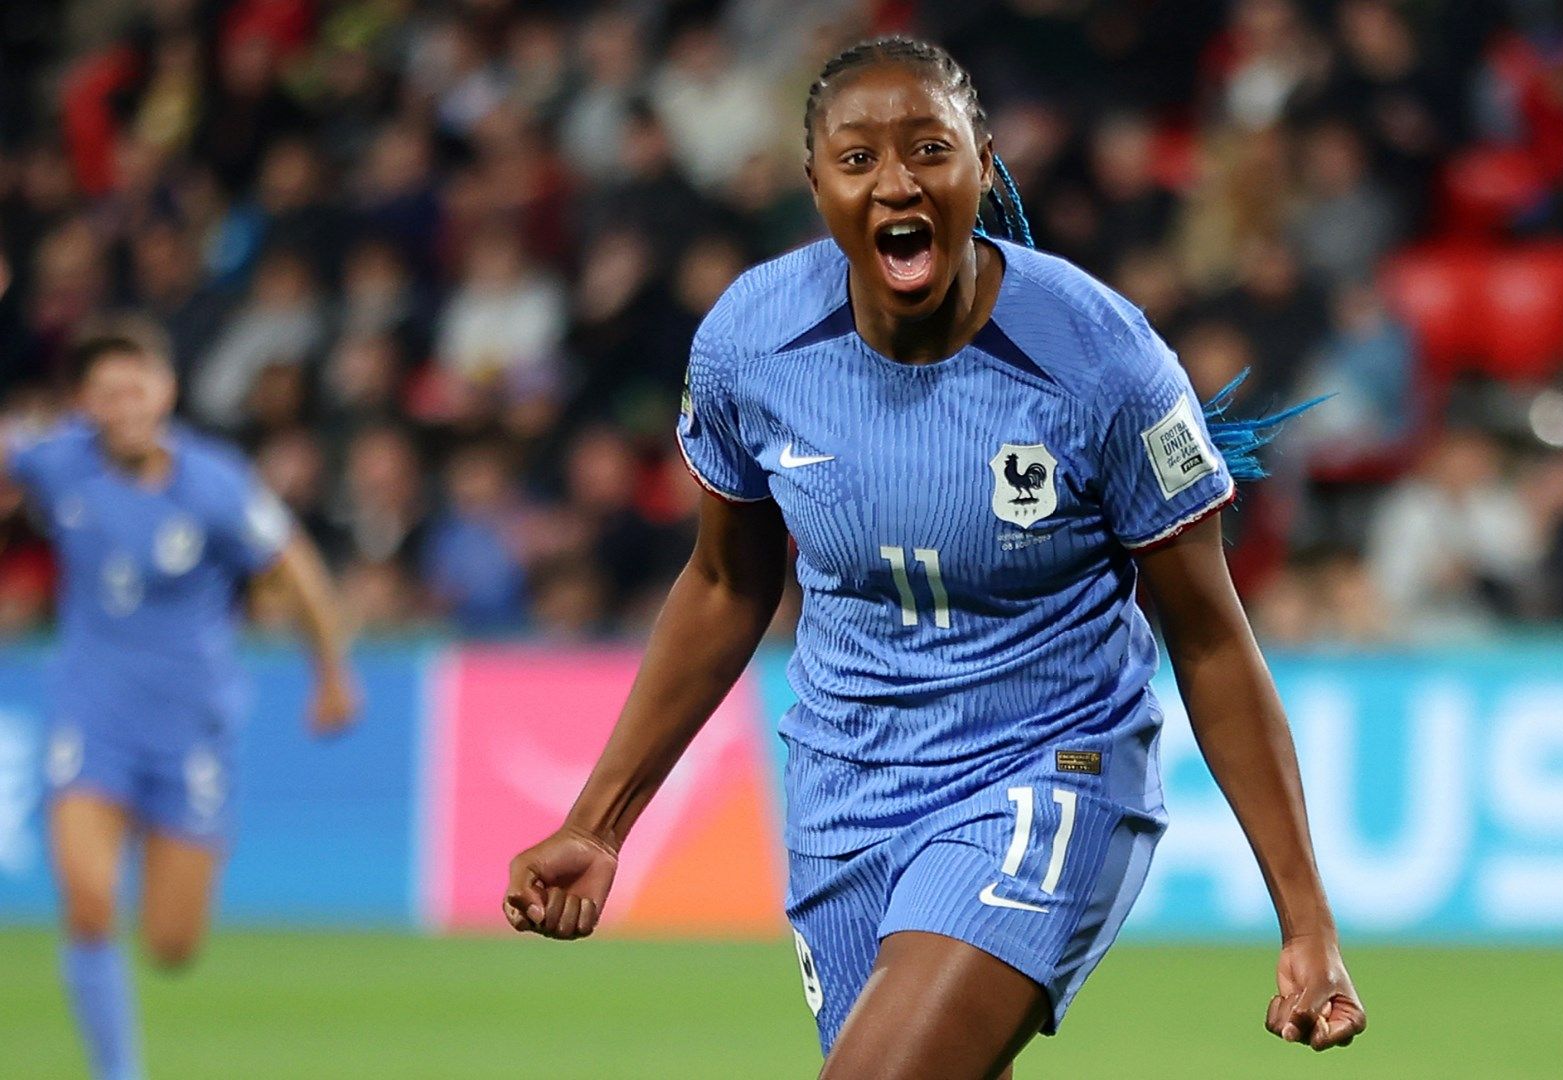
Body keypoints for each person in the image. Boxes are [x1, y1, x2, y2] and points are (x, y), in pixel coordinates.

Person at [503, 36, 1363, 1078]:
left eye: (928, 149)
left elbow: (1213, 642)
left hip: (1049, 768)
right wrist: (599, 823)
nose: (897, 181)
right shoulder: (750, 345)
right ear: (814, 183)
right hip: (845, 795)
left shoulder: (1106, 361)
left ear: (984, 164)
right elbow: (728, 582)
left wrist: (1305, 918)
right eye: (858, 159)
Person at [3, 331, 360, 1080]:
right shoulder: (57, 458)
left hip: (191, 729)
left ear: (165, 392)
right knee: (89, 903)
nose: (124, 407)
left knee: (171, 944)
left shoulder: (215, 484)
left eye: (137, 389)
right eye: (107, 393)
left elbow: (293, 568)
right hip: (90, 716)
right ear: (86, 403)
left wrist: (330, 673)